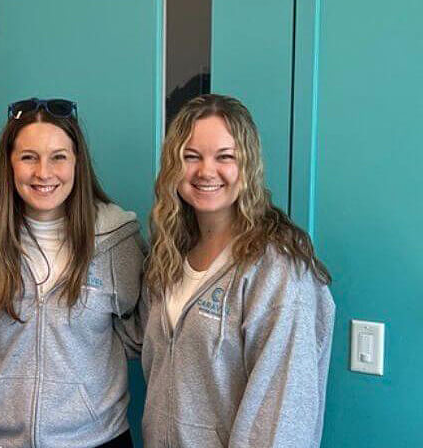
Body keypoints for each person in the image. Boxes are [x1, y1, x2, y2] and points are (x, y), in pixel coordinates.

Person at [125, 93, 335, 447]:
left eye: (225, 157)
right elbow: (135, 338)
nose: (206, 171)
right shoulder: (170, 254)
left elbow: (280, 420)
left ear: (247, 165)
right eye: (191, 157)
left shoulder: (278, 271)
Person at [0, 98, 146, 448]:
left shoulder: (117, 235)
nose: (44, 173)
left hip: (98, 438)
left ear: (77, 162)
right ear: (9, 163)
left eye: (58, 156)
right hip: (2, 440)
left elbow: (135, 331)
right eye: (28, 157)